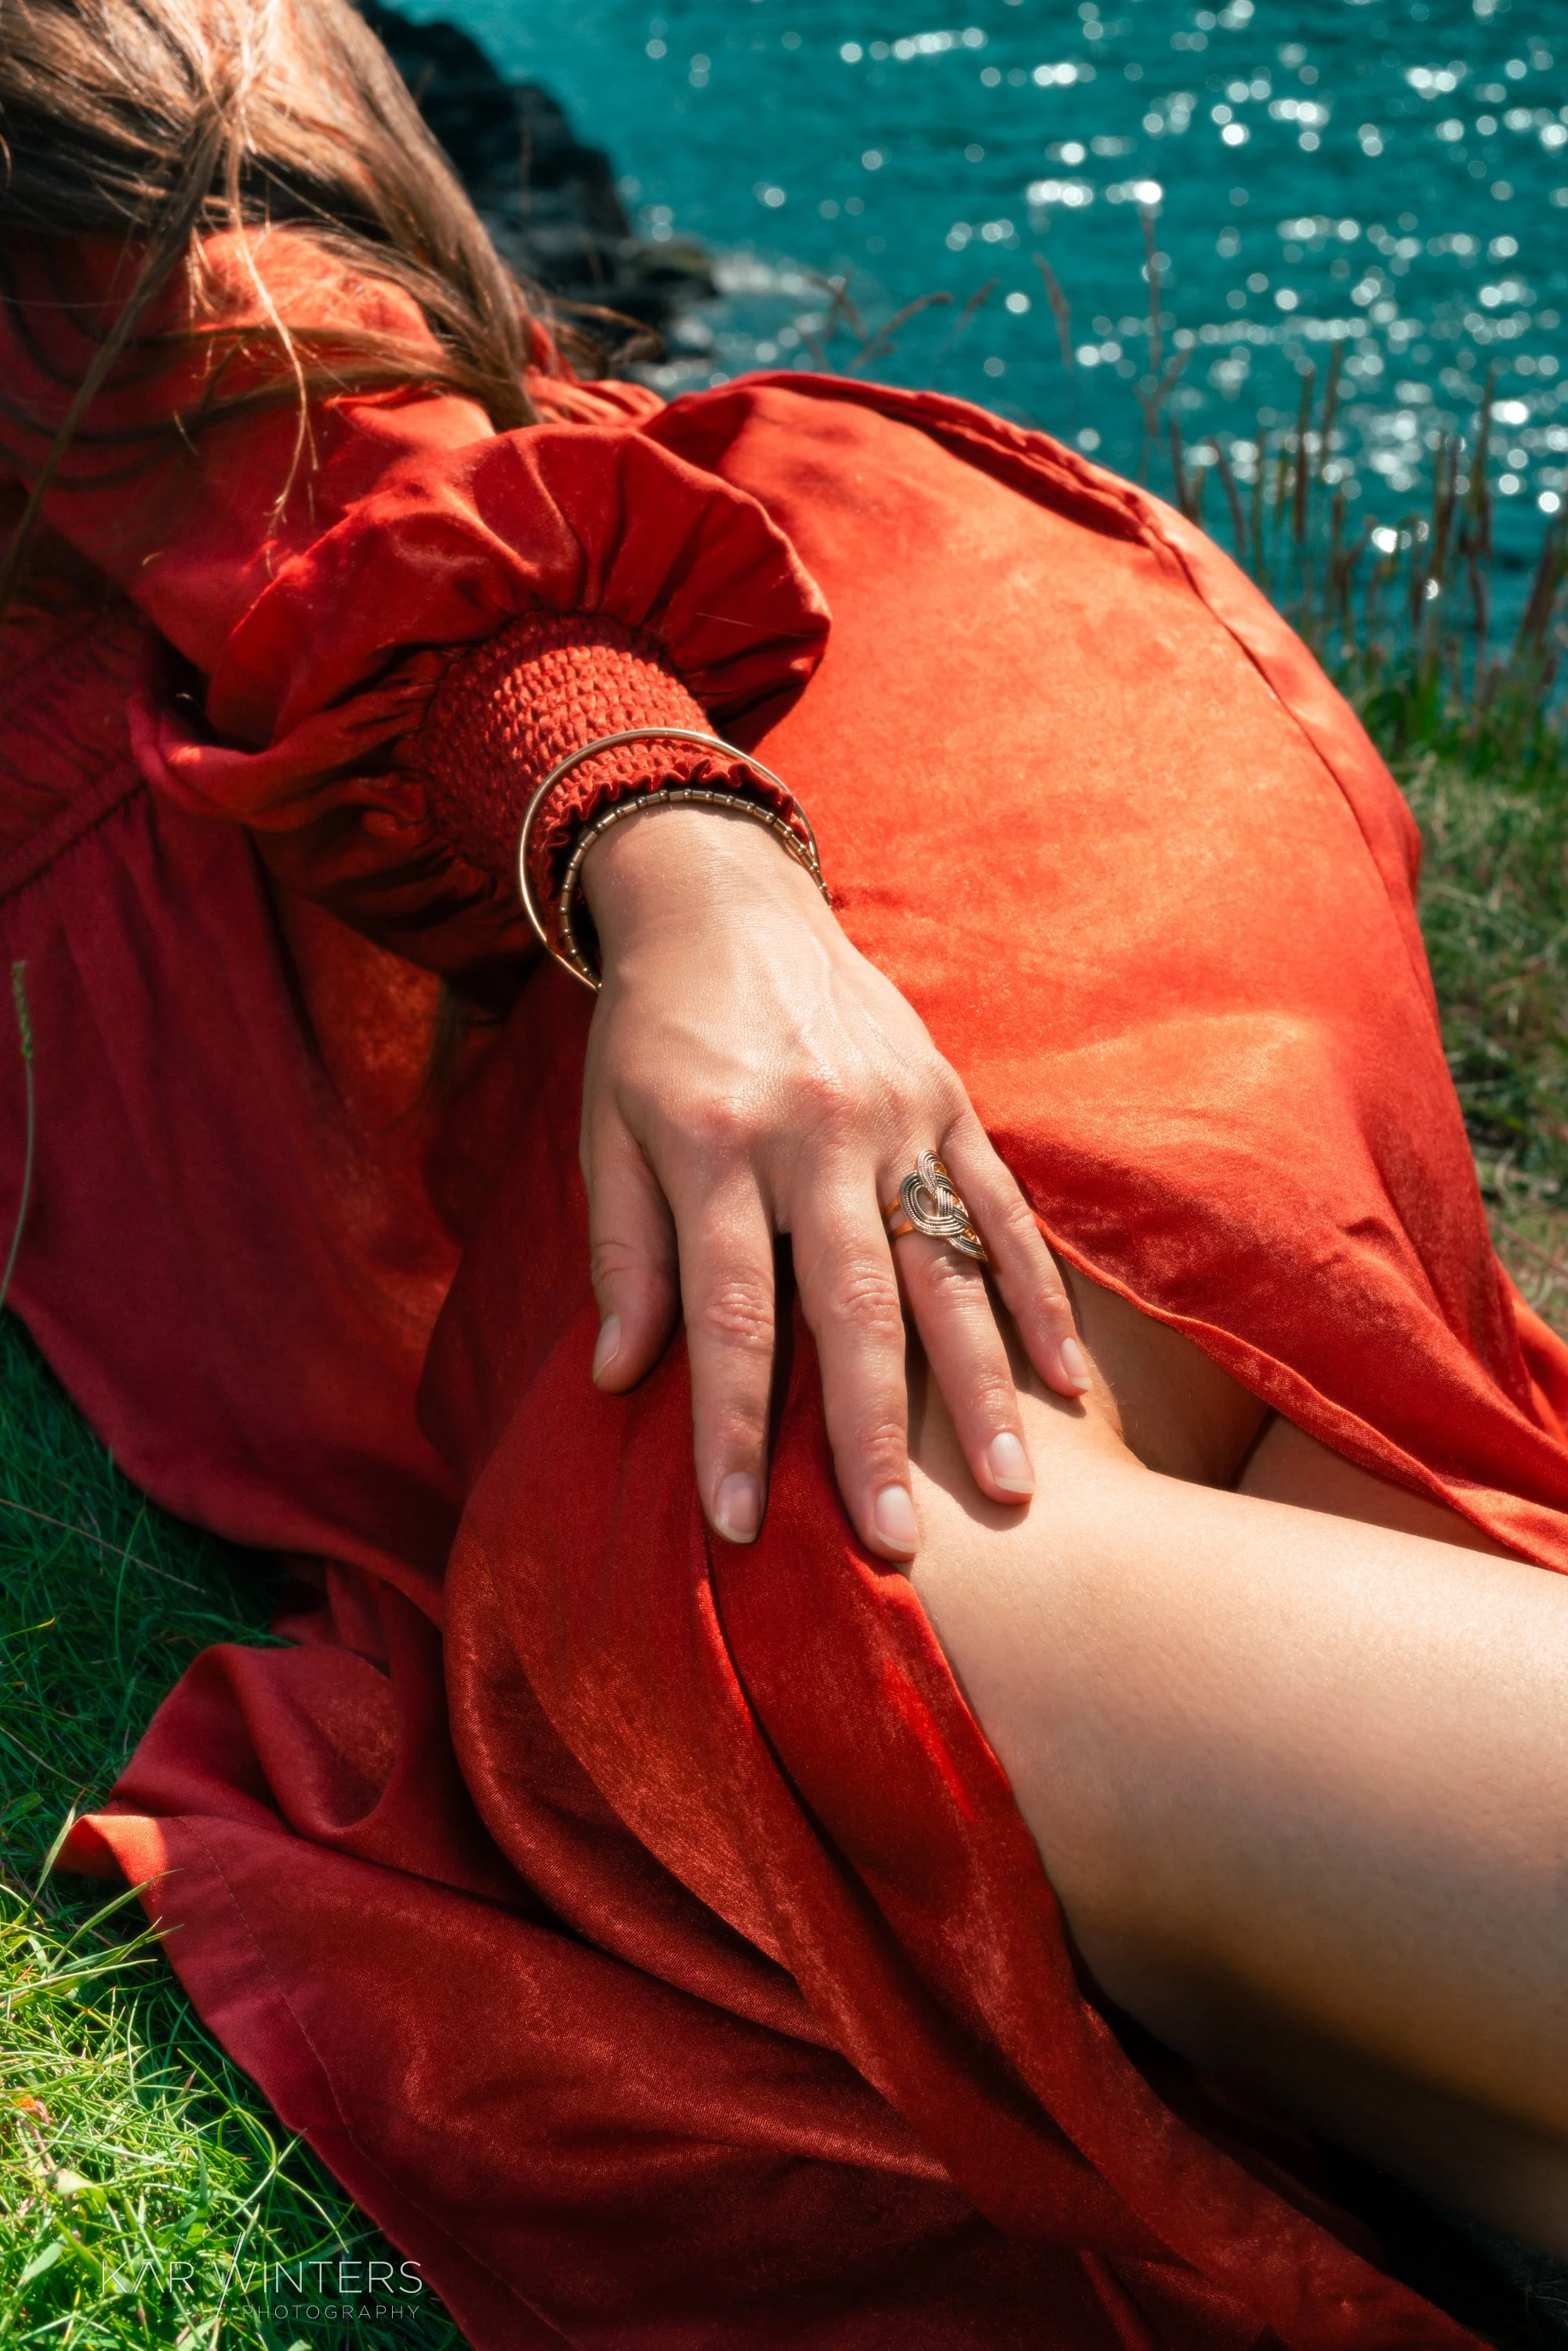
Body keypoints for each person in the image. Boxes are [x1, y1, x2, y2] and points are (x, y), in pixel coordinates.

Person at [3, 0, 1566, 2340]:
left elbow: (354, 467)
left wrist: (689, 876)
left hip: (794, 784)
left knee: (851, 1579)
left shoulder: (57, 120)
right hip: (642, 948)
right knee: (1209, 1907)